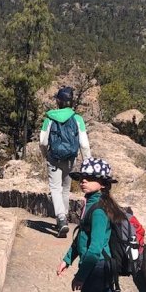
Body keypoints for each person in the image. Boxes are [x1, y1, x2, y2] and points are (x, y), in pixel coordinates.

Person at [57, 157, 123, 292]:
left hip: (97, 267)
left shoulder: (99, 210)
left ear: (102, 183)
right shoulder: (93, 204)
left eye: (89, 177)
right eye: (82, 177)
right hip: (105, 266)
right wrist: (67, 259)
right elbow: (81, 238)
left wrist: (81, 276)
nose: (83, 181)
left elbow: (93, 249)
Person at [39, 86, 92, 237]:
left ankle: (61, 219)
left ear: (58, 101)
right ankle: (63, 218)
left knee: (55, 188)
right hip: (70, 158)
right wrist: (87, 164)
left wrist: (46, 155)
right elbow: (84, 144)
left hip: (53, 157)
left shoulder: (50, 118)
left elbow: (43, 141)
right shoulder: (77, 119)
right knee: (65, 188)